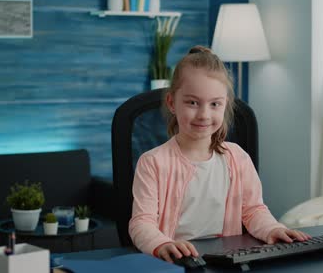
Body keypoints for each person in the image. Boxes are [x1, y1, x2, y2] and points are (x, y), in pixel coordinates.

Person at [129, 45, 311, 263]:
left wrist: (272, 229)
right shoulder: (152, 162)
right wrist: (162, 245)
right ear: (172, 103)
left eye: (215, 104)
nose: (204, 115)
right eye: (192, 102)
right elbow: (141, 223)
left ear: (225, 106)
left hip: (226, 262)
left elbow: (253, 211)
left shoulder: (237, 158)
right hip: (176, 264)